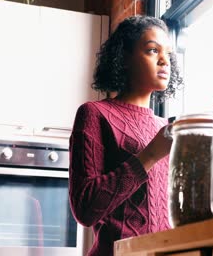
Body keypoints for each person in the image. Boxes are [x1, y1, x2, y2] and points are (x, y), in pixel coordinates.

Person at [69, 15, 183, 256]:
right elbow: (85, 209)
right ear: (125, 58)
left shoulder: (166, 128)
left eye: (169, 55)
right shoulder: (95, 114)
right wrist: (150, 154)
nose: (164, 60)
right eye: (153, 50)